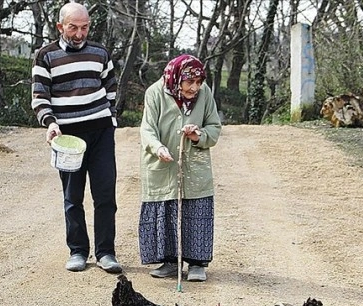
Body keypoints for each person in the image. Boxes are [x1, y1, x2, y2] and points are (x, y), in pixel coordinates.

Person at [31, 2, 122, 274]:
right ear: (60, 26)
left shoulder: (100, 53)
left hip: (101, 132)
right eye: (73, 27)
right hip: (68, 135)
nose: (79, 33)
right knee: (73, 196)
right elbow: (39, 96)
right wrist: (50, 123)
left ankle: (106, 252)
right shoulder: (45, 56)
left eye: (84, 27)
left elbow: (111, 88)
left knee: (105, 194)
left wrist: (110, 118)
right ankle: (78, 251)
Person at [138, 54, 222, 282]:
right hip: (162, 162)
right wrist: (157, 148)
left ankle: (197, 264)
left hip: (194, 164)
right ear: (177, 79)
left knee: (196, 211)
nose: (194, 87)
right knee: (165, 210)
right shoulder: (155, 93)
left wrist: (199, 135)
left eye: (198, 82)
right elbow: (147, 129)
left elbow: (214, 127)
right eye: (189, 82)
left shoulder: (205, 94)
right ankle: (169, 262)